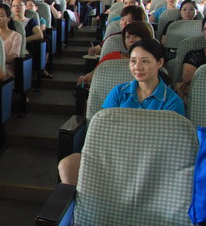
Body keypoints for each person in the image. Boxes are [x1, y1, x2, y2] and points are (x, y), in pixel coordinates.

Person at [59, 39, 185, 185]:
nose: (137, 67)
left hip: (152, 161)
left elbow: (170, 144)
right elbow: (104, 127)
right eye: (133, 61)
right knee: (68, 164)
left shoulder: (172, 101)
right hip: (115, 153)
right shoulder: (119, 92)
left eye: (145, 61)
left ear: (160, 63)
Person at [77, 21, 152, 86]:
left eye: (135, 36)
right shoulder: (111, 57)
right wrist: (84, 79)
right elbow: (92, 75)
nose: (131, 40)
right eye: (127, 37)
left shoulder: (153, 61)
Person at [0, 4, 21, 78]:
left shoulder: (16, 36)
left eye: (1, 16)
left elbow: (12, 58)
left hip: (4, 68)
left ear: (8, 18)